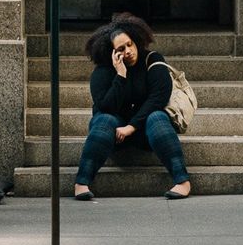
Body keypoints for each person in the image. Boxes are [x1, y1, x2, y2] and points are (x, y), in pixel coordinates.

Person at [73, 14, 191, 200]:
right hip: (115, 135)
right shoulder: (104, 71)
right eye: (121, 48)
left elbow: (158, 98)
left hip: (147, 131)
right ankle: (82, 182)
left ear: (136, 41)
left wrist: (132, 126)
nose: (128, 51)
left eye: (129, 44)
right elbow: (105, 107)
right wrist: (120, 75)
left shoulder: (152, 60)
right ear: (112, 52)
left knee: (157, 117)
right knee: (104, 120)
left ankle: (182, 181)